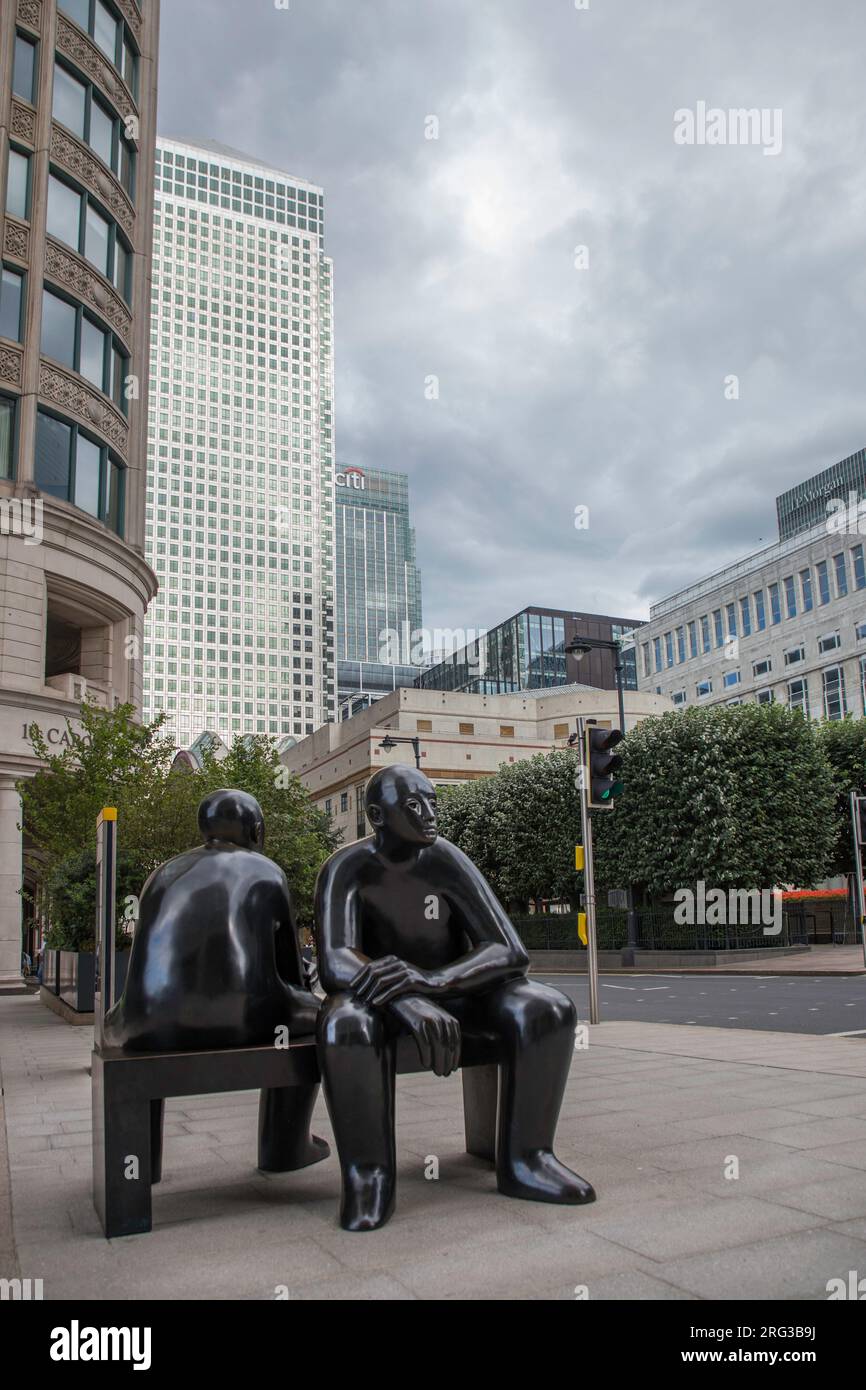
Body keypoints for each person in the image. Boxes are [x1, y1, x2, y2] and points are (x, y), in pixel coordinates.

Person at [315, 763, 596, 1231]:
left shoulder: (445, 859)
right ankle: (370, 1174)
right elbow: (337, 961)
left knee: (547, 1008)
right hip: (375, 1003)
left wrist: (432, 983)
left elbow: (508, 950)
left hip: (451, 990)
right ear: (377, 817)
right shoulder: (347, 867)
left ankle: (527, 1160)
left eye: (432, 803)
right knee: (344, 1023)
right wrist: (405, 999)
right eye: (413, 805)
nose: (429, 815)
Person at [104, 789, 320, 1051]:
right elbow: (292, 971)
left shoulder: (162, 872)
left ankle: (145, 1089)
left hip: (144, 1020)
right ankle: (286, 1089)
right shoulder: (268, 872)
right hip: (241, 1015)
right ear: (257, 831)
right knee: (325, 1014)